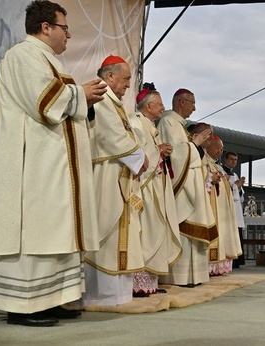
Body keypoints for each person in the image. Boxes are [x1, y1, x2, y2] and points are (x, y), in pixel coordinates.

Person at [0, 0, 107, 327]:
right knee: (37, 233)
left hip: (54, 164)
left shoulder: (49, 61)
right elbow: (44, 102)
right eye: (64, 28)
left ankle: (52, 298)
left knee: (55, 232)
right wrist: (80, 94)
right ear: (46, 28)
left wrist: (83, 102)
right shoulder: (23, 56)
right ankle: (24, 306)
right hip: (33, 164)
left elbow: (63, 105)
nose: (68, 35)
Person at [83, 55, 149, 306]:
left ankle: (117, 294)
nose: (128, 85)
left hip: (118, 173)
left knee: (118, 234)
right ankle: (100, 295)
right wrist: (139, 156)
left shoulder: (114, 102)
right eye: (126, 79)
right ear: (109, 76)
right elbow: (109, 134)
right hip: (105, 175)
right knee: (105, 231)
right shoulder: (99, 99)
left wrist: (138, 156)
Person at [157, 88, 217, 287]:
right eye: (192, 103)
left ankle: (192, 276)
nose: (194, 108)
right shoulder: (168, 122)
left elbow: (185, 153)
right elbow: (175, 154)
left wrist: (194, 146)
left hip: (190, 185)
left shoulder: (179, 125)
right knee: (183, 230)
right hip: (181, 188)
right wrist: (195, 145)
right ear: (181, 102)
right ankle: (179, 277)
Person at [128, 88, 182, 296]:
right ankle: (137, 283)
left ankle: (149, 282)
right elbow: (136, 151)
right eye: (159, 104)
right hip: (145, 187)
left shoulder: (150, 125)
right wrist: (158, 151)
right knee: (146, 233)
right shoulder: (136, 123)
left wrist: (161, 151)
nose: (163, 107)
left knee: (156, 231)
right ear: (148, 106)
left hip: (156, 186)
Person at [202, 135, 243, 275]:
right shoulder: (204, 161)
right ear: (208, 147)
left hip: (223, 207)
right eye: (218, 148)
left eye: (221, 149)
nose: (220, 151)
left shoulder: (215, 165)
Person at [221, 151, 246, 268]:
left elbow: (240, 196)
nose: (233, 161)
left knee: (237, 234)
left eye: (235, 160)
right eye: (231, 159)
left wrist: (239, 187)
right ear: (225, 159)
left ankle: (237, 261)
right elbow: (223, 190)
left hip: (236, 209)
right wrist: (236, 186)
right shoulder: (221, 171)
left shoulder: (234, 174)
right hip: (226, 208)